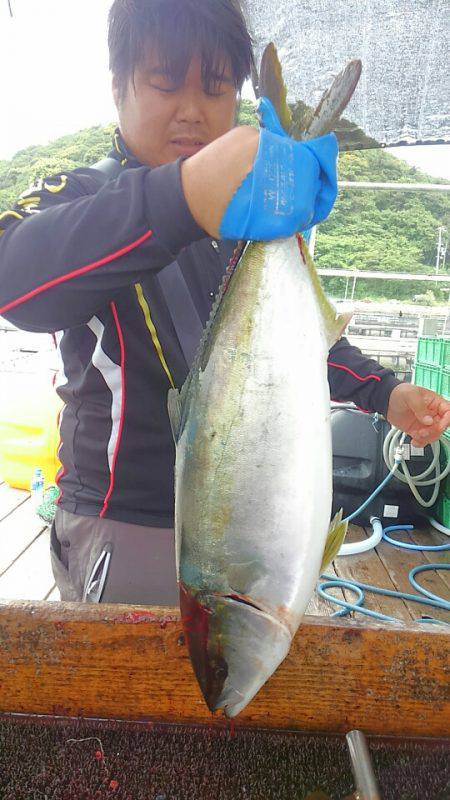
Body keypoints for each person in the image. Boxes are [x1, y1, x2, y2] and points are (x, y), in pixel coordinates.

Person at [0, 0, 449, 605]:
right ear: (117, 87)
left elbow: (302, 349)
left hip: (257, 515)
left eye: (215, 89)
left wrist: (384, 392)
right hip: (129, 526)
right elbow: (11, 278)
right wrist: (185, 196)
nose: (191, 111)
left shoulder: (251, 223)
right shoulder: (84, 194)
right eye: (165, 82)